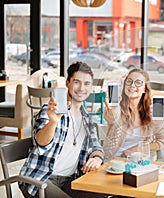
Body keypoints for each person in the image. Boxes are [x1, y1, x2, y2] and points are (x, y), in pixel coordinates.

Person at [19, 62, 105, 198]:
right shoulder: (51, 110)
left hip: (69, 180)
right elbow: (40, 143)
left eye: (87, 83)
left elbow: (96, 146)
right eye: (77, 82)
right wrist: (53, 122)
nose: (82, 88)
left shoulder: (87, 119)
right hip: (40, 178)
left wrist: (97, 158)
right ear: (67, 83)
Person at [103, 68, 164, 162]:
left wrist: (135, 150)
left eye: (138, 82)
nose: (132, 85)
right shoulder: (117, 106)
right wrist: (112, 109)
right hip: (114, 162)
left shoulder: (152, 110)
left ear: (145, 89)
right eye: (129, 81)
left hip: (142, 162)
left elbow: (163, 142)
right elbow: (111, 118)